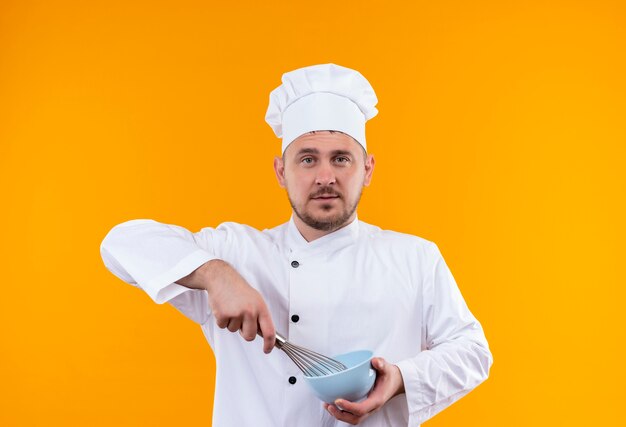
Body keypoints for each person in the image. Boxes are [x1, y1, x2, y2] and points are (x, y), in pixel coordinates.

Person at [100, 63, 493, 426]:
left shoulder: (414, 258)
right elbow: (119, 243)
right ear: (280, 171)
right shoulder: (236, 252)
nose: (325, 176)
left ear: (368, 169)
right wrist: (215, 275)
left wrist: (401, 378)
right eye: (307, 160)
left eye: (341, 159)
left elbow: (474, 353)